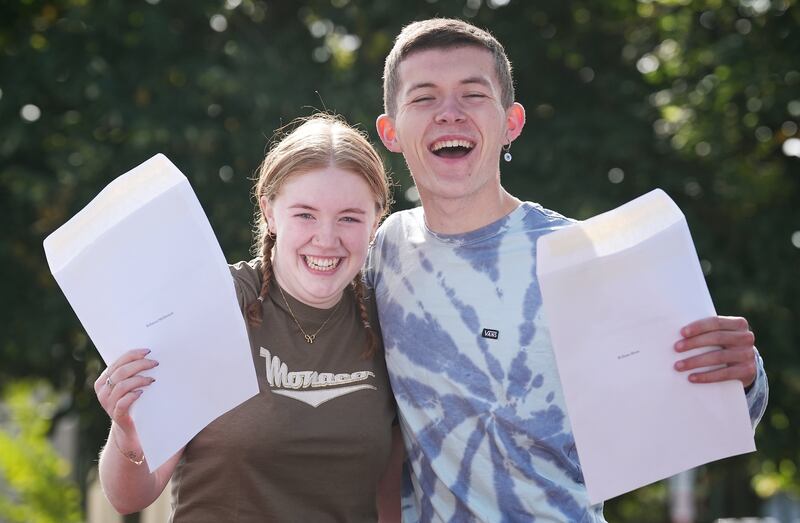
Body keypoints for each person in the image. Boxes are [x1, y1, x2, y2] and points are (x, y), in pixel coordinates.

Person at [367, 18, 768, 522]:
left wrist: (746, 376)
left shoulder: (580, 253)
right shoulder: (384, 249)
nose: (450, 113)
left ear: (511, 122)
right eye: (424, 98)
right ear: (391, 131)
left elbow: (718, 409)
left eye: (473, 94)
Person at [94, 114, 403, 522]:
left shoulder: (391, 318)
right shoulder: (214, 305)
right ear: (269, 210)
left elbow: (390, 497)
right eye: (305, 214)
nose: (326, 238)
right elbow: (131, 497)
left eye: (349, 217)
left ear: (375, 220)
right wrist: (128, 434)